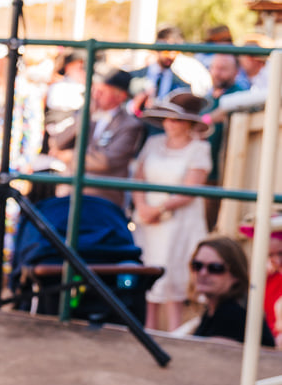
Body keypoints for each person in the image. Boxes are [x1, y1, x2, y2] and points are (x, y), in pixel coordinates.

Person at [129, 90, 212, 331]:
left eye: (174, 119)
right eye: (166, 118)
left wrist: (159, 208)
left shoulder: (199, 149)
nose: (169, 124)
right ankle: (147, 330)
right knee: (148, 274)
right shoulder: (153, 143)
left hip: (178, 222)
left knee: (173, 278)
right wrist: (143, 206)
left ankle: (175, 336)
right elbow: (139, 177)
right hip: (148, 220)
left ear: (188, 123)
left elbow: (190, 189)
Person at [61, 68, 146, 204]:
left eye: (103, 91)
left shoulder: (130, 125)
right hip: (69, 192)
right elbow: (57, 143)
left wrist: (70, 156)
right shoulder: (85, 114)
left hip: (101, 197)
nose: (96, 95)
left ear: (120, 96)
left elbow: (107, 161)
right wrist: (83, 117)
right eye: (95, 90)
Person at [179, 235, 273, 346]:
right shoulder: (213, 309)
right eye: (197, 265)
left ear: (236, 275)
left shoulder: (233, 315)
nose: (203, 273)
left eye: (215, 268)